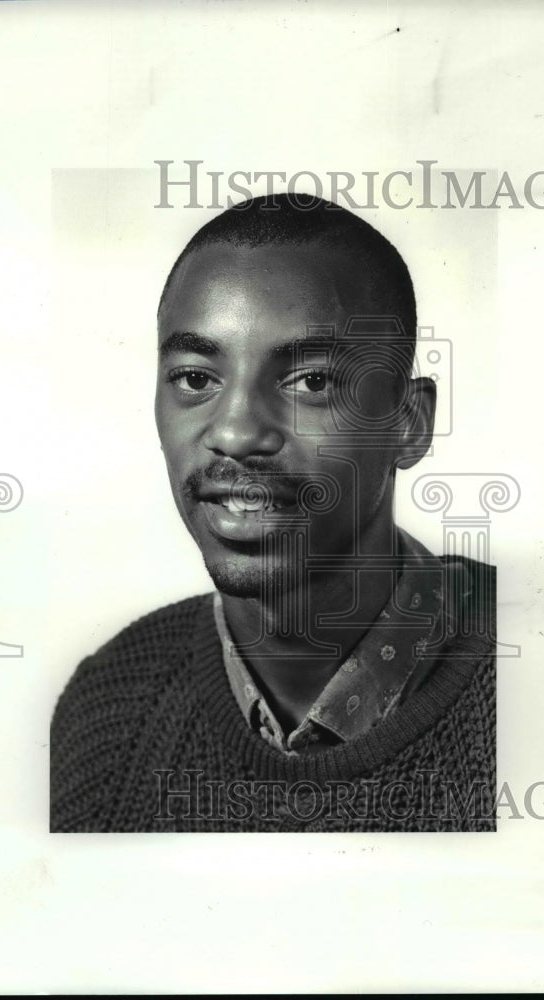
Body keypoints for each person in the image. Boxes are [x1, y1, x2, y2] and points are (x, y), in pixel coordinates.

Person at [51, 194, 496, 832]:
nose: (234, 431)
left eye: (311, 381)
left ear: (409, 421)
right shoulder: (108, 709)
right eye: (196, 379)